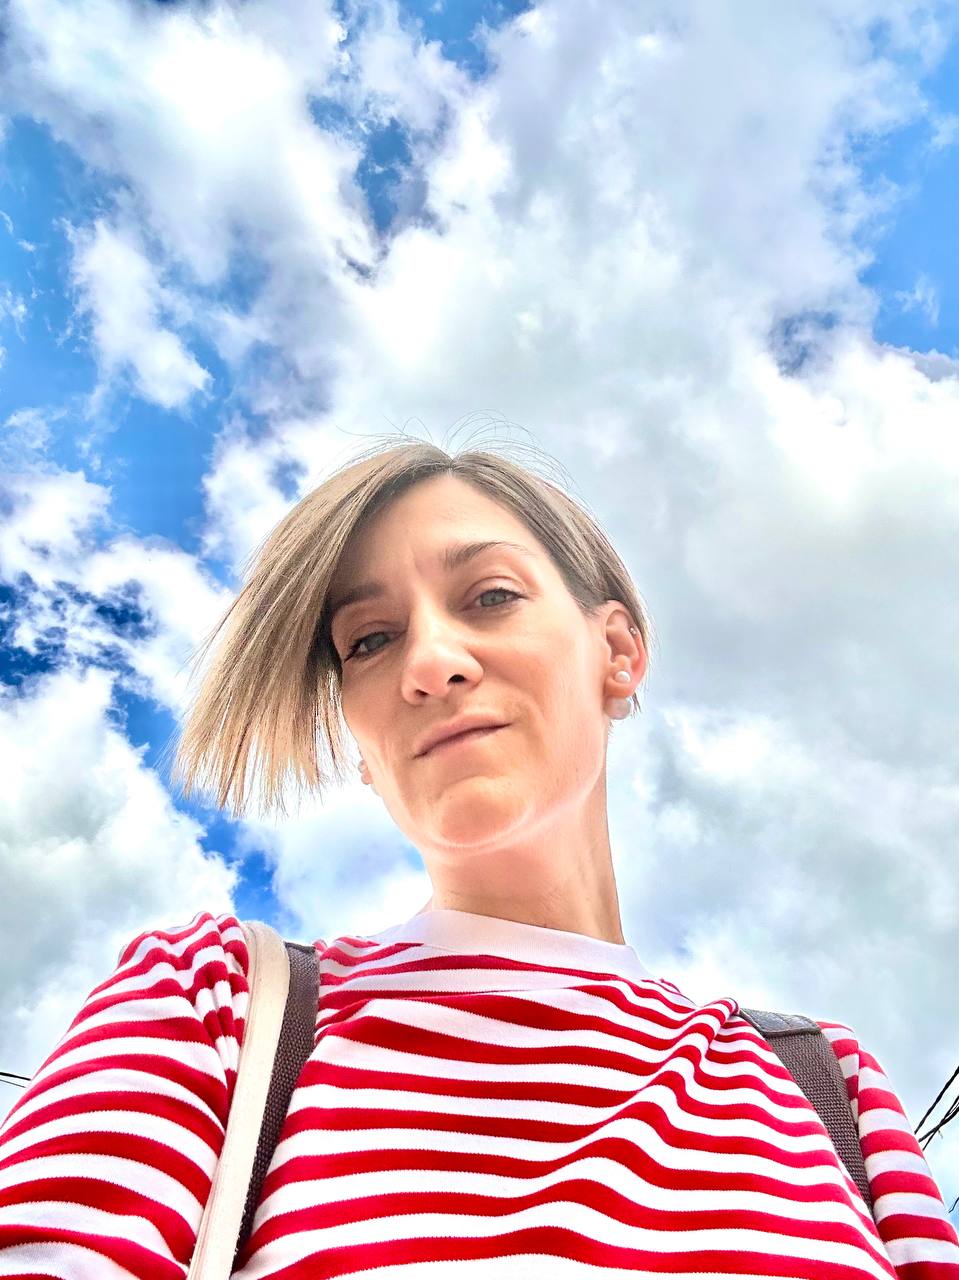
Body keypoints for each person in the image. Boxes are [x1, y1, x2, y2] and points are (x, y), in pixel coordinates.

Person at [1, 437, 957, 1278]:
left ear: (616, 651)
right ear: (360, 746)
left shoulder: (826, 1085)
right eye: (370, 641)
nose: (429, 664)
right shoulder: (214, 1004)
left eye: (491, 597)